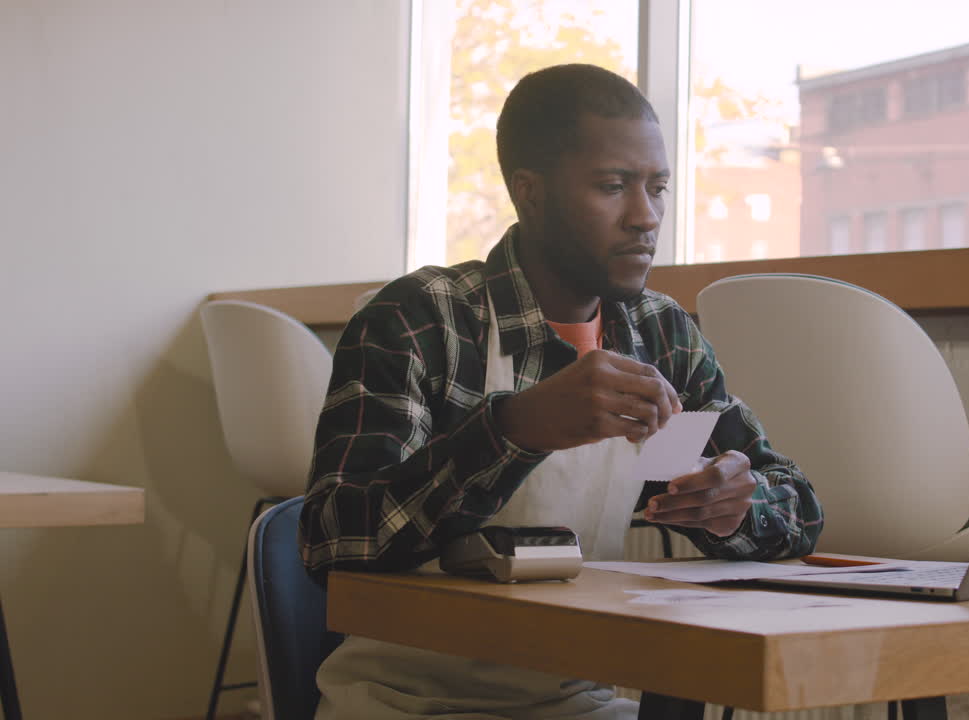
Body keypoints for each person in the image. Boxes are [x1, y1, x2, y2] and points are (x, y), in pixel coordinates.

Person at [299, 63, 823, 720]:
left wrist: (732, 508)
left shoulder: (660, 334)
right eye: (613, 187)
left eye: (657, 188)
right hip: (401, 703)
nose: (645, 217)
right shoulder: (420, 318)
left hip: (581, 703)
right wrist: (513, 429)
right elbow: (332, 544)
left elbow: (799, 510)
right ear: (530, 192)